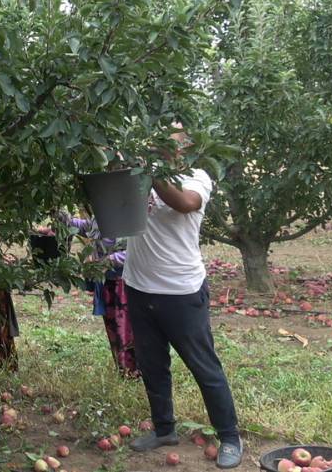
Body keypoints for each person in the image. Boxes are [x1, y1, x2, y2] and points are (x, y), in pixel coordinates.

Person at [122, 130, 242, 469]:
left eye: (169, 142)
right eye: (156, 141)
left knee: (204, 366)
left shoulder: (198, 178)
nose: (160, 146)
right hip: (138, 285)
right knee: (152, 363)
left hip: (181, 290)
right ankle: (164, 429)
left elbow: (185, 203)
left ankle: (230, 436)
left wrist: (151, 172)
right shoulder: (139, 176)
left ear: (185, 148)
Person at [64, 216, 137, 377]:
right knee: (115, 329)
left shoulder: (128, 217)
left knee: (126, 328)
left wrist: (108, 260)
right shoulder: (103, 212)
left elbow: (136, 251)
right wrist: (67, 220)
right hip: (108, 282)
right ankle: (124, 370)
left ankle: (134, 372)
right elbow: (90, 227)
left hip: (124, 283)